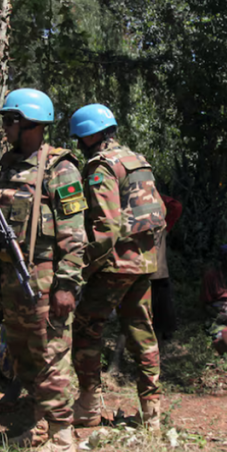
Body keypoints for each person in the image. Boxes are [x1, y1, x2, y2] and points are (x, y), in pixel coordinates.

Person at [0, 88, 87, 452]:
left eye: (9, 120)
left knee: (50, 357)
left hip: (45, 279)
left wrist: (67, 285)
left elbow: (75, 234)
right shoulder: (8, 166)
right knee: (23, 356)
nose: (4, 127)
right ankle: (41, 425)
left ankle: (63, 440)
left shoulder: (60, 168)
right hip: (11, 278)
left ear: (30, 124)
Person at [68, 104, 166, 432]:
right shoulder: (137, 160)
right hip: (144, 261)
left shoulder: (101, 166)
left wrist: (83, 267)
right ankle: (152, 414)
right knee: (142, 332)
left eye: (80, 137)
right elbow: (160, 210)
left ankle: (87, 405)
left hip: (115, 263)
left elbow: (105, 226)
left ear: (90, 135)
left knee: (85, 327)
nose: (79, 143)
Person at [150, 193, 183, 342]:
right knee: (161, 293)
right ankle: (163, 331)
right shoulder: (153, 194)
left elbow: (176, 206)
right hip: (156, 264)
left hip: (143, 262)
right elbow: (175, 206)